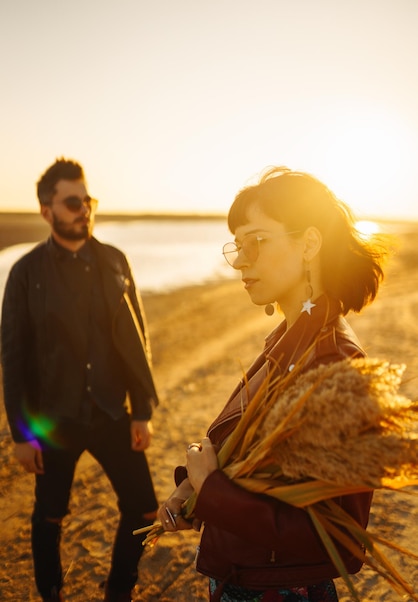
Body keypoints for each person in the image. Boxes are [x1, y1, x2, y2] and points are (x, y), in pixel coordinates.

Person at [157, 166, 386, 602]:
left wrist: (213, 493)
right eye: (238, 246)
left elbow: (341, 540)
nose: (241, 261)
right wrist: (195, 488)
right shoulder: (288, 339)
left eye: (256, 243)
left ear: (309, 243)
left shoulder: (335, 364)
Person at [1, 158, 159, 602]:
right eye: (72, 202)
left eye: (87, 200)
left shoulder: (114, 261)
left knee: (144, 509)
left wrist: (141, 411)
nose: (84, 209)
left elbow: (135, 336)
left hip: (111, 411)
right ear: (46, 210)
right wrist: (21, 434)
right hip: (54, 420)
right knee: (49, 516)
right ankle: (51, 593)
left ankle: (118, 591)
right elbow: (12, 358)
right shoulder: (25, 273)